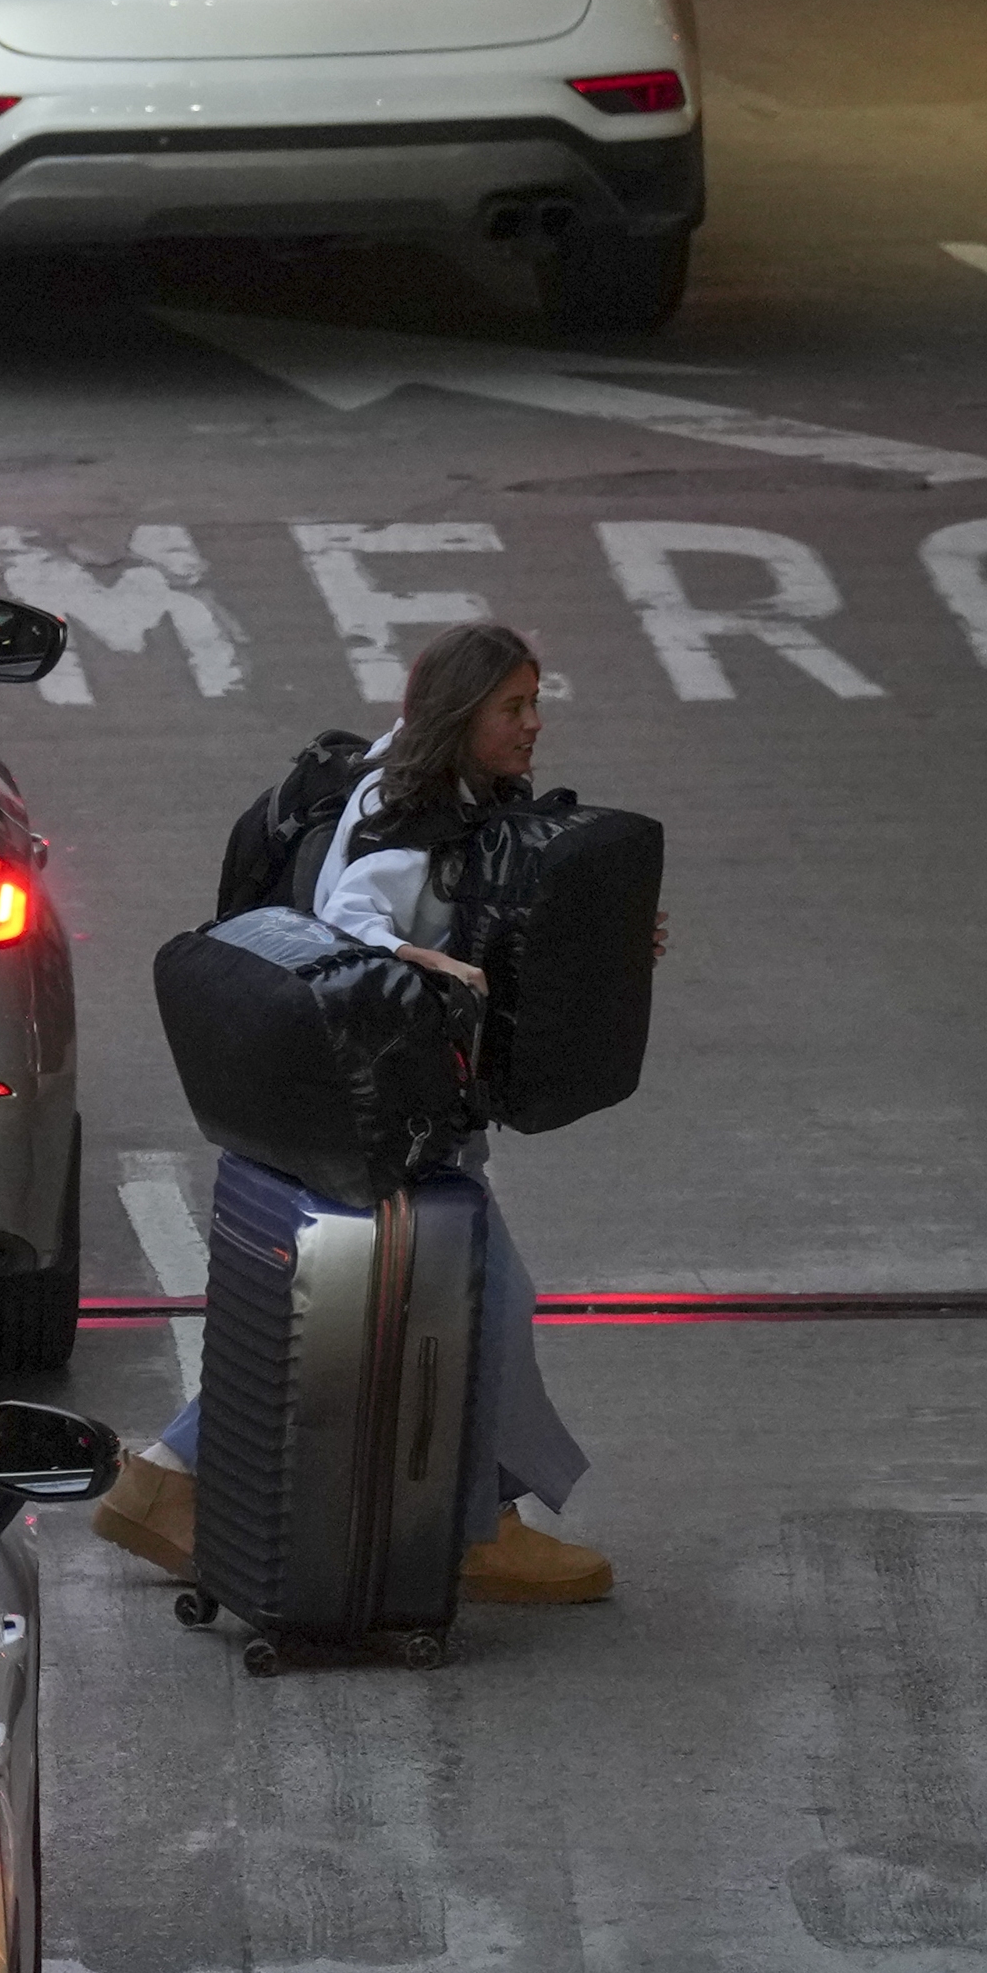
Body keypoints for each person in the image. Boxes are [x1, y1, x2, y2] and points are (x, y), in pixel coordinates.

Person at [93, 620, 664, 1605]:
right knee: (480, 1301)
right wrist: (429, 963)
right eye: (513, 707)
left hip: (323, 1094)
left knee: (344, 1314)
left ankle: (165, 1481)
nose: (534, 724)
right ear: (461, 714)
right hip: (387, 1109)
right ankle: (477, 1527)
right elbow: (354, 916)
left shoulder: (396, 777)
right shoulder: (418, 822)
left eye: (535, 702)